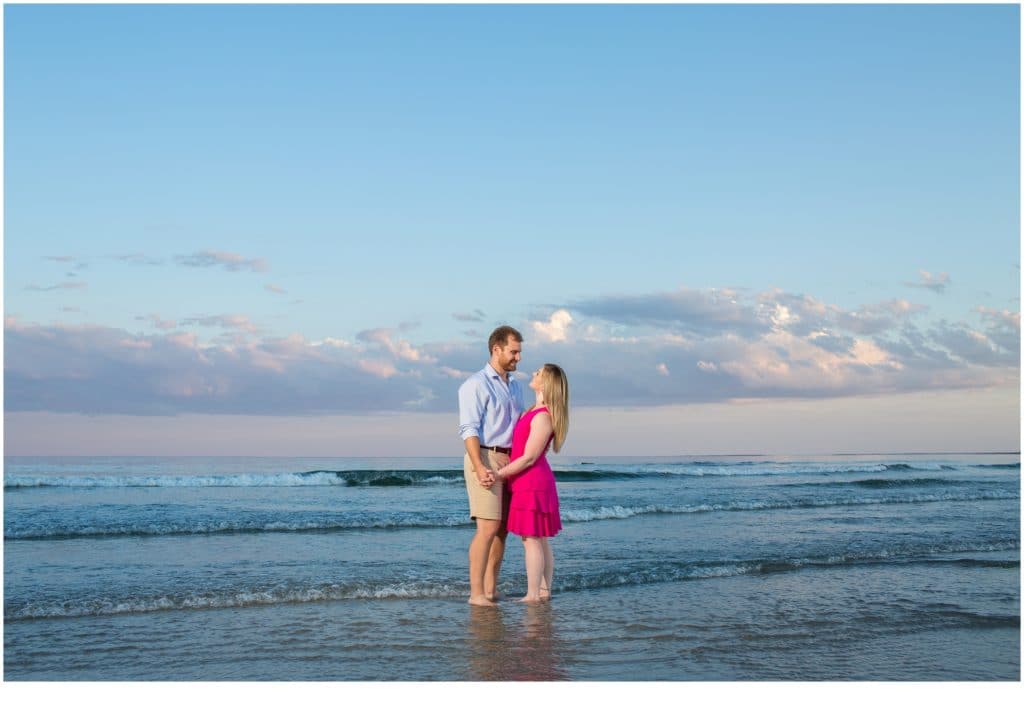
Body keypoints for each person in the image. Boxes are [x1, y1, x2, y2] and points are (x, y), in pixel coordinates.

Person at [458, 326, 525, 607]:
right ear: (496, 349)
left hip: (511, 461)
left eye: (519, 352)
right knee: (487, 527)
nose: (518, 358)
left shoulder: (516, 386)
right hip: (485, 456)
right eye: (514, 351)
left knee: (502, 530)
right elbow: (469, 429)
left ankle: (490, 589)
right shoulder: (475, 384)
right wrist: (478, 465)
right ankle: (476, 594)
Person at [495, 363, 568, 603]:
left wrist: (499, 474)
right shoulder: (532, 410)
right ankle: (544, 591)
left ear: (547, 383)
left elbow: (528, 458)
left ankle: (534, 594)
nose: (534, 373)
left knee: (532, 539)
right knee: (539, 538)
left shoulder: (544, 415)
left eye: (539, 372)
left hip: (533, 481)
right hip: (527, 481)